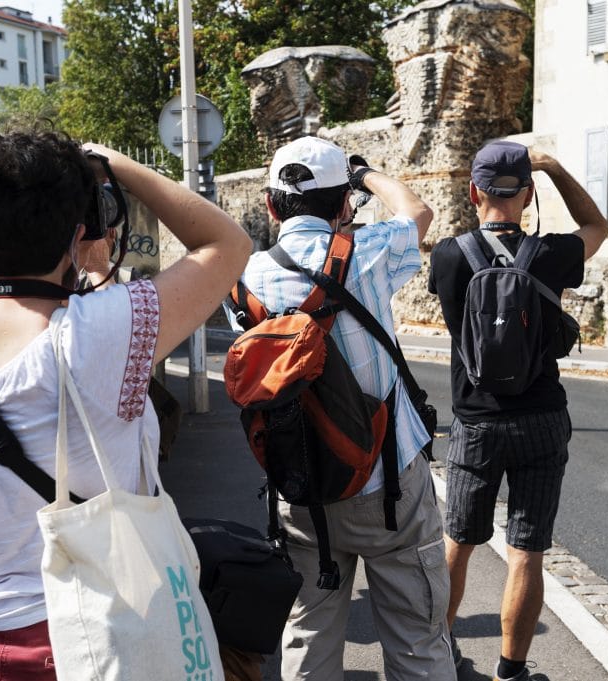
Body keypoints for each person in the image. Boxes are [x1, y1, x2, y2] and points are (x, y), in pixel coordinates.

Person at [0, 130, 251, 680]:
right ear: (78, 232)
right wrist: (116, 164)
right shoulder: (107, 330)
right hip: (82, 631)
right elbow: (227, 245)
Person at [237, 136, 454, 680]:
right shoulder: (368, 252)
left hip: (301, 483)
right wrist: (364, 175)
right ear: (343, 207)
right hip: (388, 483)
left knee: (308, 635)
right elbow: (418, 212)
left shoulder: (242, 279)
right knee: (417, 641)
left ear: (270, 205)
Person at [428, 140, 608, 681]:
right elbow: (597, 226)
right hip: (541, 420)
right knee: (526, 551)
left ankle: (440, 659)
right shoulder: (551, 255)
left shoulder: (449, 255)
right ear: (527, 196)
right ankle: (513, 670)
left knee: (457, 547)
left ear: (472, 192)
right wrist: (552, 167)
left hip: (477, 421)